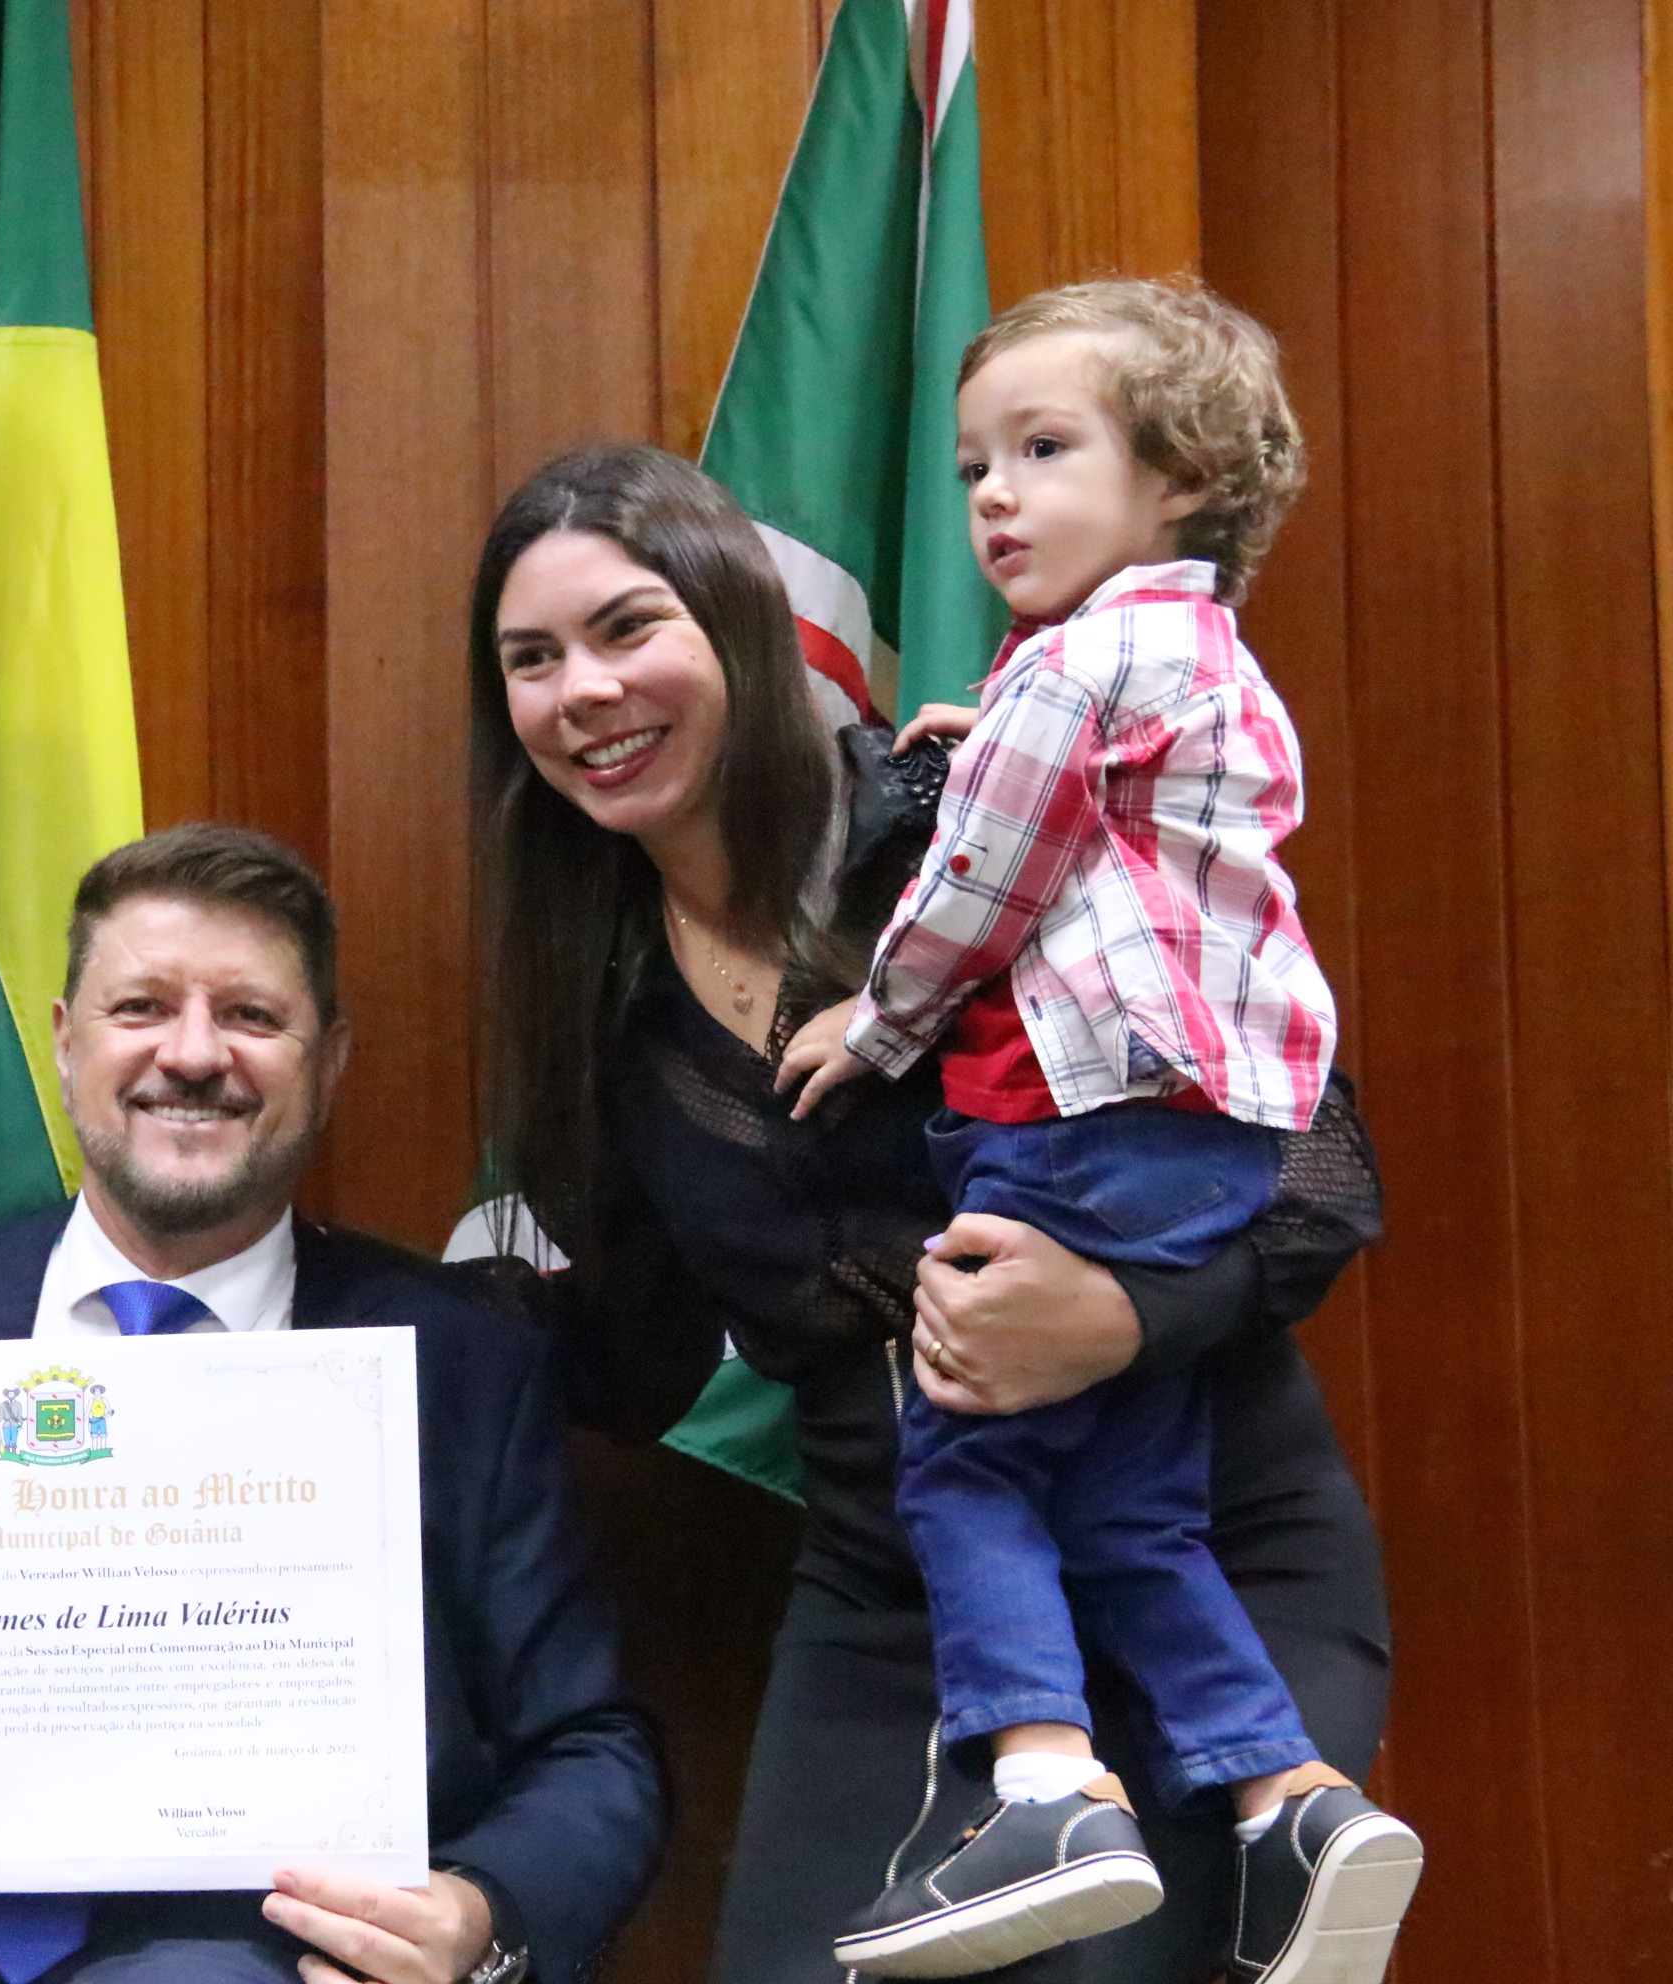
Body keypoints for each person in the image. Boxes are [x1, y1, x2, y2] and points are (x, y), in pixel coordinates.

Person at [462, 442, 1392, 1984]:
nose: (587, 692)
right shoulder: (601, 1000)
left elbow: (1308, 1154)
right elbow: (637, 1348)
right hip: (902, 1602)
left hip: (1193, 1555)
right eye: (533, 659)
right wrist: (337, 1331)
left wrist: (1121, 1316)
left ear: (737, 624)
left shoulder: (956, 827)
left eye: (630, 628)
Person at [0, 824, 667, 1984]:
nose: (193, 1053)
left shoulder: (461, 1364)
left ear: (331, 1059)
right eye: (142, 1007)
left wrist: (479, 1914)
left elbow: (591, 1744)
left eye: (251, 1015)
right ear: (65, 1043)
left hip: (258, 1957)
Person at [767, 281, 1420, 1978]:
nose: (992, 494)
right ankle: (1291, 1799)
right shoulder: (1205, 659)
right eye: (976, 462)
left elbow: (981, 882)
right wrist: (995, 737)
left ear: (1181, 475)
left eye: (1044, 450)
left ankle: (1048, 1788)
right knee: (1132, 1514)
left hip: (1075, 1126)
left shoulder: (1070, 660)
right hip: (1207, 1140)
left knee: (968, 1452)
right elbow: (1114, 821)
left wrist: (875, 1021)